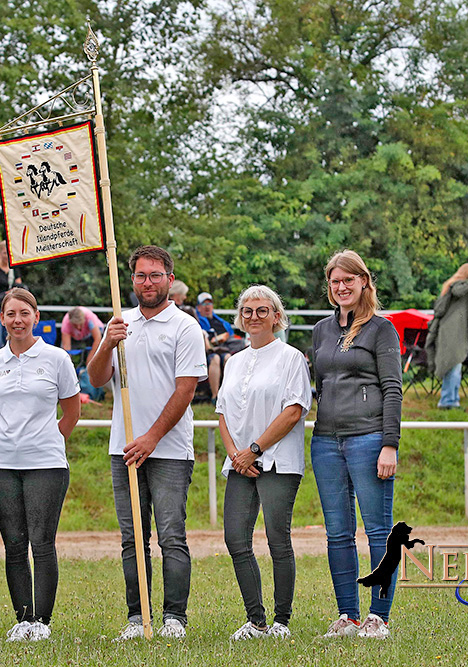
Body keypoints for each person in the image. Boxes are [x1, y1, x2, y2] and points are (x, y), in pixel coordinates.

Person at [86, 245, 208, 641]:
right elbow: (97, 378)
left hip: (169, 450)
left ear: (170, 280)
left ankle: (175, 618)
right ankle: (137, 618)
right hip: (124, 448)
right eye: (141, 275)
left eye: (156, 275)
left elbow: (186, 389)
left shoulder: (185, 327)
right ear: (132, 279)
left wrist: (152, 438)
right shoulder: (121, 323)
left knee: (171, 534)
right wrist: (107, 341)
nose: (147, 282)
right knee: (132, 538)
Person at [311, 250, 402, 640]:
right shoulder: (320, 330)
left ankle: (377, 617)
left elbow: (393, 389)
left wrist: (390, 443)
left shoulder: (382, 330)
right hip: (325, 441)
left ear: (364, 281)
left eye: (349, 279)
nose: (342, 287)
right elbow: (319, 386)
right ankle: (347, 616)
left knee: (379, 531)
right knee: (337, 533)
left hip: (369, 440)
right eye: (336, 281)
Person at [0, 288, 81, 641]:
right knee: (13, 544)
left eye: (24, 313)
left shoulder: (56, 358)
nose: (17, 320)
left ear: (36, 317)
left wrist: (48, 440)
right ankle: (22, 619)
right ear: (2, 318)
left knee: (41, 542)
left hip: (47, 464)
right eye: (11, 314)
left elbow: (72, 410)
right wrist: (13, 440)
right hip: (1, 464)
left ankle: (42, 622)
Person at [217, 285, 311, 641]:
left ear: (276, 316)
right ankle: (255, 621)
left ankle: (281, 622)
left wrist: (254, 449)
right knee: (235, 539)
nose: (254, 316)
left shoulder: (290, 358)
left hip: (277, 461)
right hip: (240, 463)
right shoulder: (234, 360)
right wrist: (235, 454)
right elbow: (223, 412)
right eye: (247, 311)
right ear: (241, 317)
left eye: (262, 310)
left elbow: (294, 410)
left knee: (277, 539)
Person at [426, 264, 468, 409]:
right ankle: (447, 401)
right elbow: (458, 291)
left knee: (454, 366)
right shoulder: (459, 287)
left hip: (453, 332)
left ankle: (452, 399)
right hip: (451, 333)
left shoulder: (454, 287)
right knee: (453, 366)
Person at [197, 292, 236, 402]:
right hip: (206, 352)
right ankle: (215, 396)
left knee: (229, 358)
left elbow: (231, 336)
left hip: (223, 349)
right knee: (216, 359)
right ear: (199, 308)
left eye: (209, 303)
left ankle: (229, 394)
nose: (207, 306)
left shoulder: (222, 322)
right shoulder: (196, 320)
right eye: (204, 304)